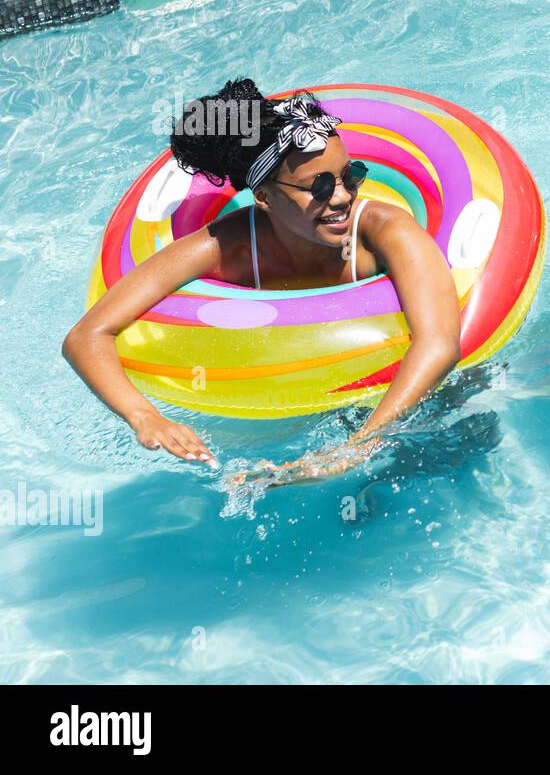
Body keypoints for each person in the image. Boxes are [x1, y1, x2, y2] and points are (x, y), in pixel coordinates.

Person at [63, 80, 462, 487]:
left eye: (350, 176)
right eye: (319, 187)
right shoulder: (226, 247)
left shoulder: (385, 231)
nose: (342, 198)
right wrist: (144, 416)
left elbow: (439, 343)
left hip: (416, 397)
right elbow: (87, 334)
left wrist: (353, 450)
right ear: (266, 197)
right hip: (291, 403)